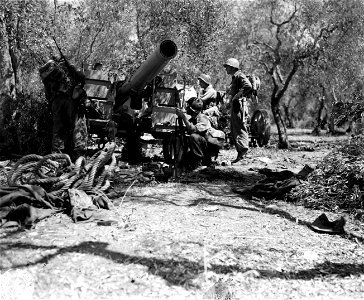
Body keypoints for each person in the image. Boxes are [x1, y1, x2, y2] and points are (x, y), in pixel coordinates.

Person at [40, 57, 86, 160]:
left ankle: (57, 154)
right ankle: (79, 153)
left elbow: (47, 92)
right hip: (70, 100)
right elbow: (82, 77)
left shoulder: (46, 75)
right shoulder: (67, 68)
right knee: (77, 125)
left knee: (58, 127)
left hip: (56, 101)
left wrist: (51, 103)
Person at [175, 97, 219, 170]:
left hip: (208, 147)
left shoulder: (203, 118)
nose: (186, 109)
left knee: (193, 137)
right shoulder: (193, 118)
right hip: (201, 145)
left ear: (193, 111)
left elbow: (192, 129)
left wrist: (183, 117)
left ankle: (199, 163)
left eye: (188, 107)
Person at [223, 58, 252, 163]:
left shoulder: (239, 76)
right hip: (236, 106)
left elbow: (248, 86)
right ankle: (240, 154)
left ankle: (243, 152)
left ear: (232, 67)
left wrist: (236, 96)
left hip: (239, 106)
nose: (226, 69)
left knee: (239, 128)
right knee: (235, 128)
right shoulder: (235, 78)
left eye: (227, 66)